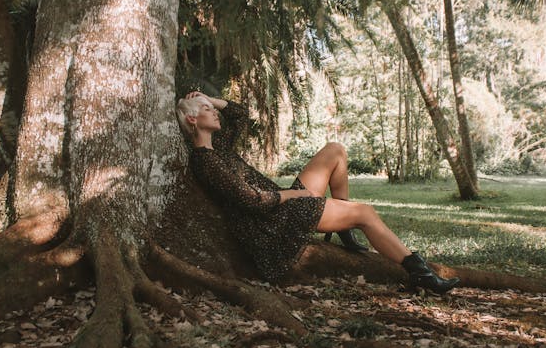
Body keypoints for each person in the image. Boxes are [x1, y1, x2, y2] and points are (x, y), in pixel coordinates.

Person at [176, 91, 459, 294]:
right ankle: (421, 274)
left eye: (212, 108)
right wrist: (292, 196)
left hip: (282, 205)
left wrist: (210, 99)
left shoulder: (219, 148)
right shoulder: (206, 161)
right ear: (192, 121)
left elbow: (239, 113)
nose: (214, 112)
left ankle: (343, 227)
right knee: (365, 213)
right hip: (273, 224)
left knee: (335, 150)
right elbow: (253, 201)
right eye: (206, 110)